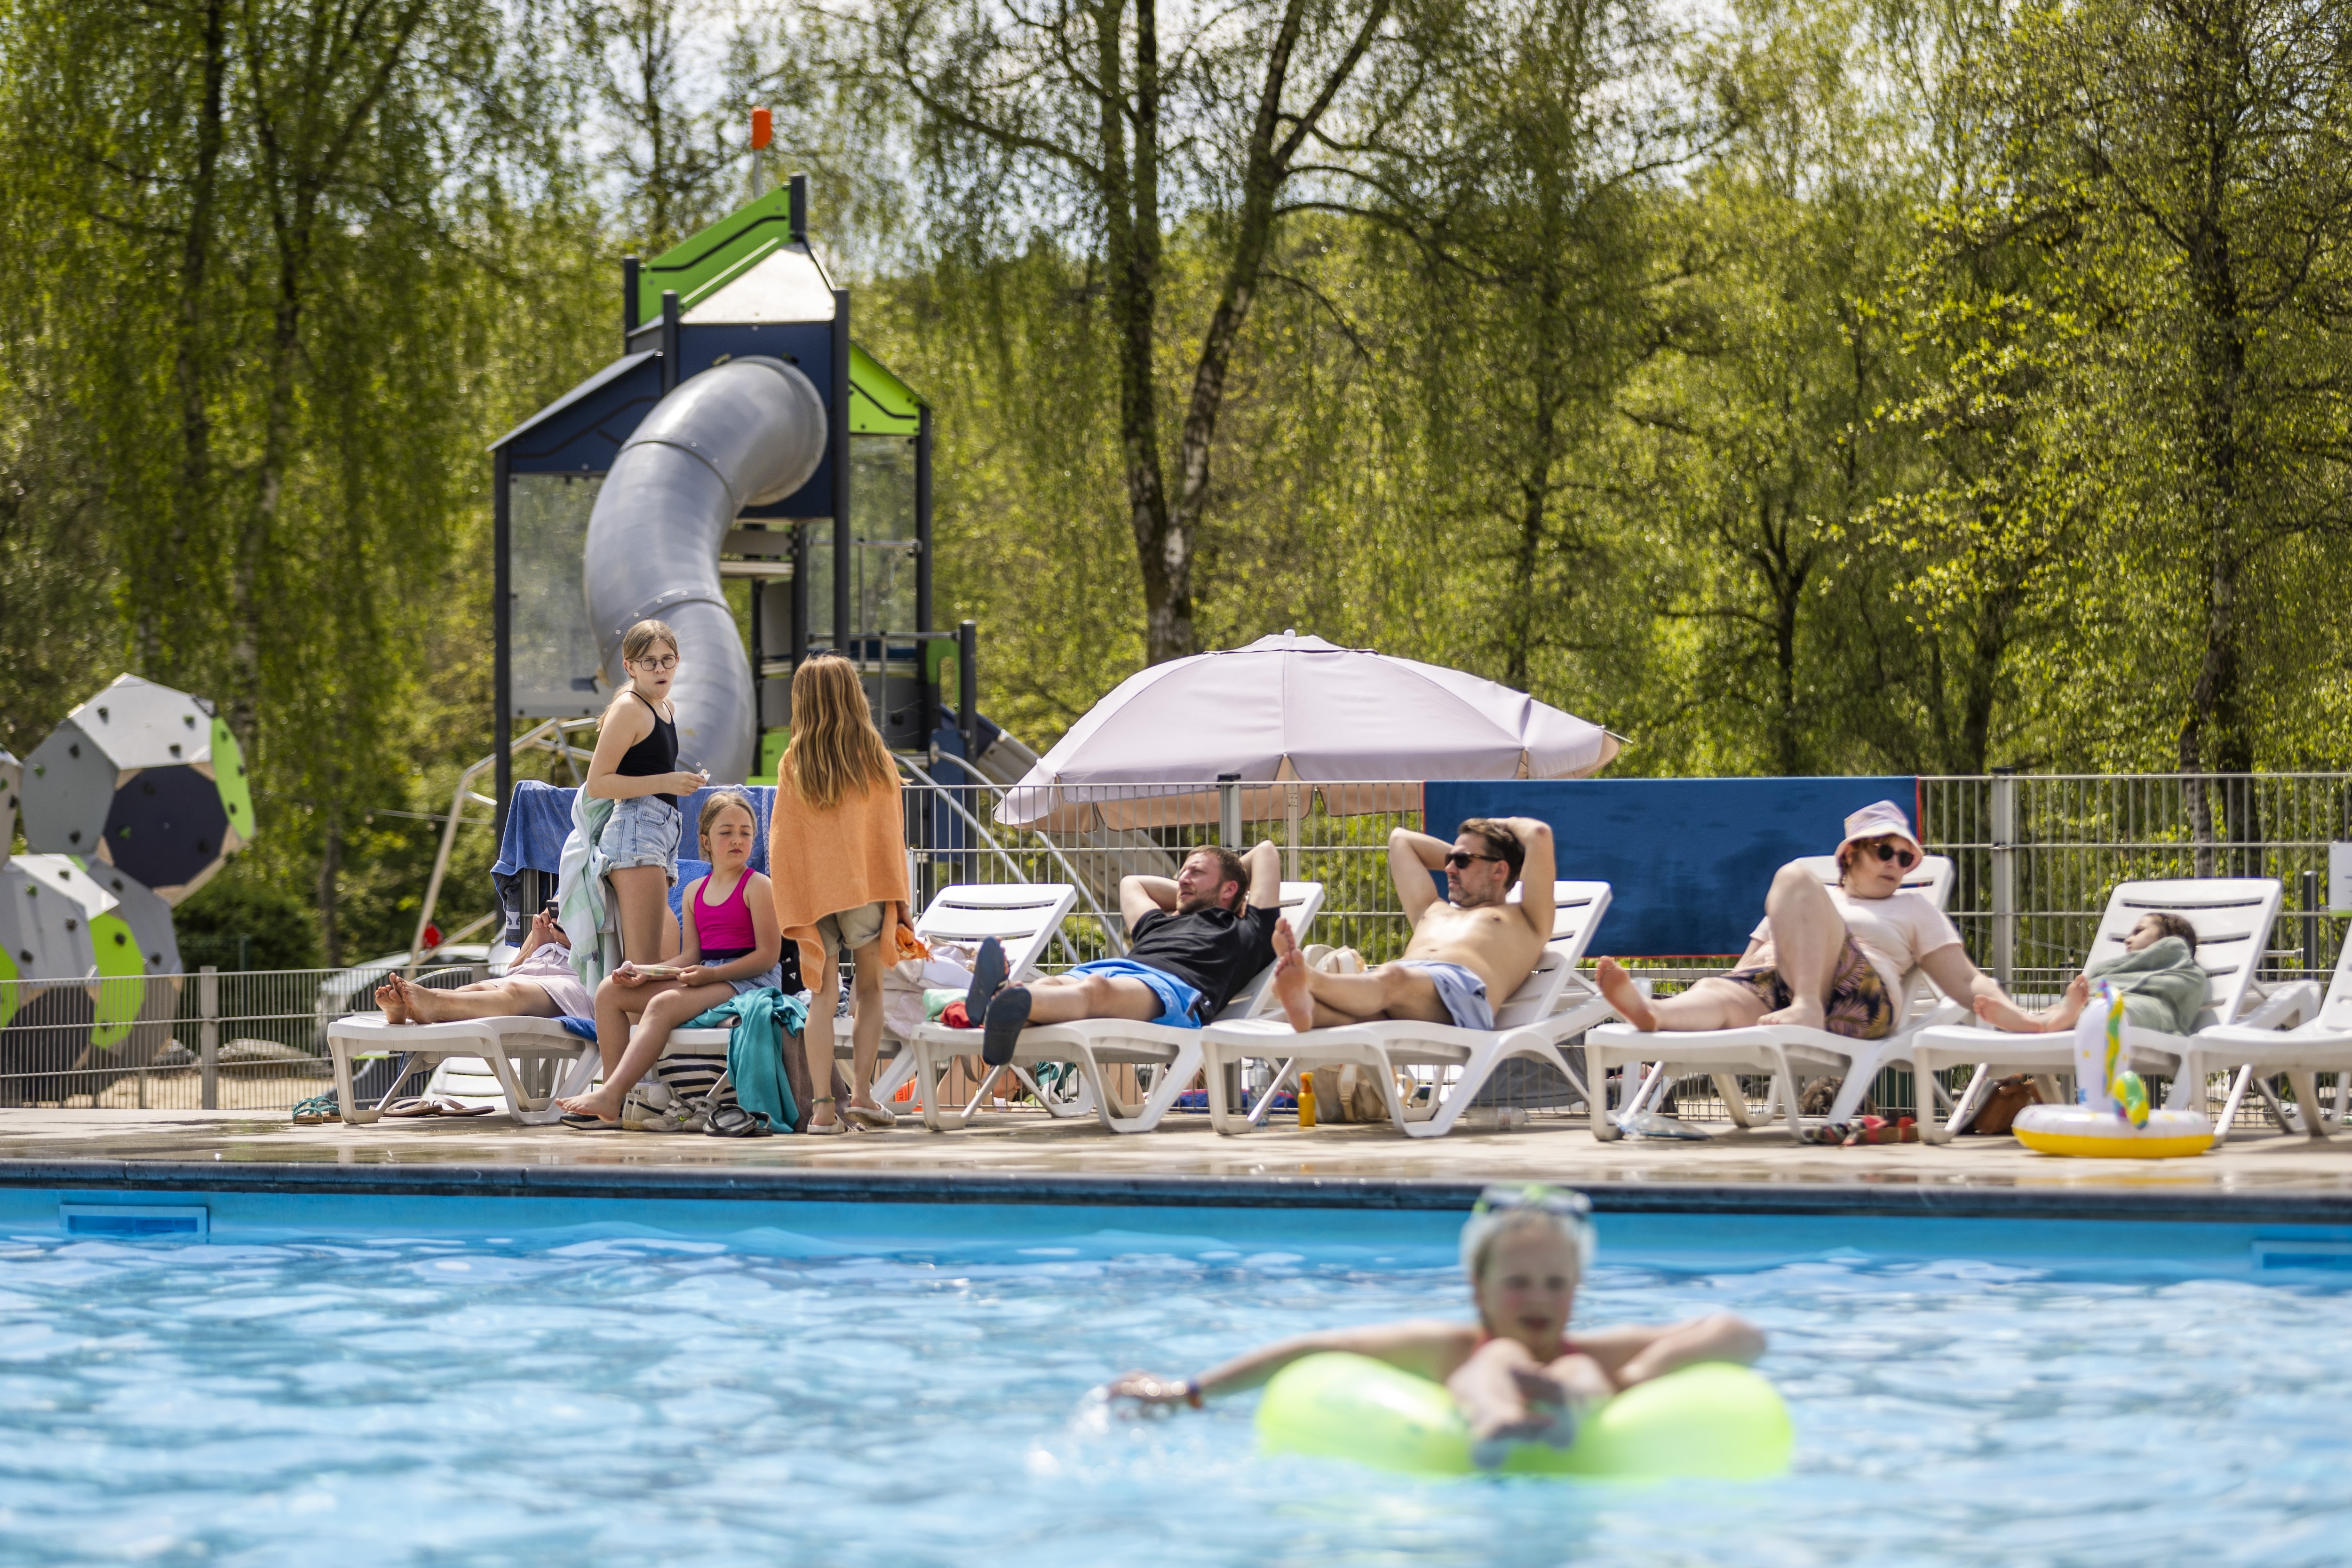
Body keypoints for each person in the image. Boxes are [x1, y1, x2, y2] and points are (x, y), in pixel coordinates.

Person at [1103, 1185, 1764, 1463]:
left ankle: (1566, 1407)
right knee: (1498, 1361)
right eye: (1518, 1283)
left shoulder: (1589, 1349)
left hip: (1579, 1397)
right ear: (1478, 1288)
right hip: (1488, 1399)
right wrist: (1189, 1391)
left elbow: (1737, 1331)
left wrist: (1635, 1379)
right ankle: (1497, 1418)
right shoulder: (1452, 1346)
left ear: (1575, 1291)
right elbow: (1312, 1347)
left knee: (1576, 1369)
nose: (1538, 1299)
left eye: (1556, 1284)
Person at [1594, 799, 2034, 1044]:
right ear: (1852, 854)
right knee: (1719, 991)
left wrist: (2018, 1016)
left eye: (1905, 858)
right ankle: (1653, 1013)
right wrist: (1732, 989)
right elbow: (1750, 964)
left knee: (1792, 876)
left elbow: (1966, 978)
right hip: (1781, 992)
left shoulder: (1914, 908)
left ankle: (1807, 1004)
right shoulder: (1808, 902)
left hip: (1858, 1001)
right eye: (1885, 851)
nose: (1895, 865)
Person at [556, 789, 781, 1130]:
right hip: (709, 975)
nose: (737, 839)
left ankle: (612, 1094)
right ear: (705, 840)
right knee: (610, 992)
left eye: (745, 832)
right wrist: (647, 973)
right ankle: (616, 1100)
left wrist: (710, 976)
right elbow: (691, 956)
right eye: (726, 832)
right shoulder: (694, 892)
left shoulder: (759, 886)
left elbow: (768, 957)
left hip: (749, 981)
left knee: (662, 1005)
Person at [963, 839, 1283, 1067]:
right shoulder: (1158, 923)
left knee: (1096, 990)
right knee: (1055, 983)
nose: (1183, 879)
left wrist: (1232, 880)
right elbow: (1131, 883)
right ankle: (1004, 1003)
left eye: (1196, 872)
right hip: (1116, 969)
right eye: (1182, 873)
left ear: (1229, 888)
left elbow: (1266, 850)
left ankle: (1002, 998)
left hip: (1175, 989)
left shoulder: (1249, 931)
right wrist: (1194, 888)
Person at [767, 654, 910, 1135]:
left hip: (814, 895)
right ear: (854, 694)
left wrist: (792, 898)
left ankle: (824, 1110)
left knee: (822, 997)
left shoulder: (795, 761)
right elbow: (889, 834)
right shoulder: (874, 755)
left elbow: (783, 839)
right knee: (870, 989)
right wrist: (898, 900)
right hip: (866, 887)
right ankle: (864, 1094)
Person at [1266, 817, 1558, 1035]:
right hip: (1399, 995)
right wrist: (1471, 861)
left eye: (1461, 861)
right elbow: (1400, 840)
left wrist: (1498, 826)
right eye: (1449, 860)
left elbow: (1539, 834)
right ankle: (1308, 1007)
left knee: (1392, 976)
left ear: (1499, 870)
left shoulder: (1526, 919)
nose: (1448, 868)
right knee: (1353, 1017)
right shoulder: (1431, 908)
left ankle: (1310, 979)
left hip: (1460, 996)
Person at [582, 619, 708, 965]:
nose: (660, 669)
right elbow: (597, 783)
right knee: (643, 967)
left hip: (659, 835)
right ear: (630, 667)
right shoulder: (629, 708)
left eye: (667, 660)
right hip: (637, 832)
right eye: (649, 662)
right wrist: (667, 782)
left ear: (678, 661)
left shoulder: (667, 708)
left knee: (664, 962)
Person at [1971, 910, 2203, 1035]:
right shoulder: (2123, 967)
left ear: (2169, 941)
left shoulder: (2185, 970)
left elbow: (2183, 995)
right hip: (2106, 1006)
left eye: (2139, 931)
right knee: (2068, 1007)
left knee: (2105, 1009)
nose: (2127, 939)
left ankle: (2056, 1018)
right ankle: (2037, 1020)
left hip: (2152, 1008)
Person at [374, 904, 592, 1024]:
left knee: (513, 992)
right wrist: (539, 941)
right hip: (526, 976)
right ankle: (409, 1011)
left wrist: (574, 944)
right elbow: (514, 968)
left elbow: (609, 965)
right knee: (472, 990)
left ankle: (435, 1004)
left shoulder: (604, 901)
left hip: (575, 979)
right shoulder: (561, 898)